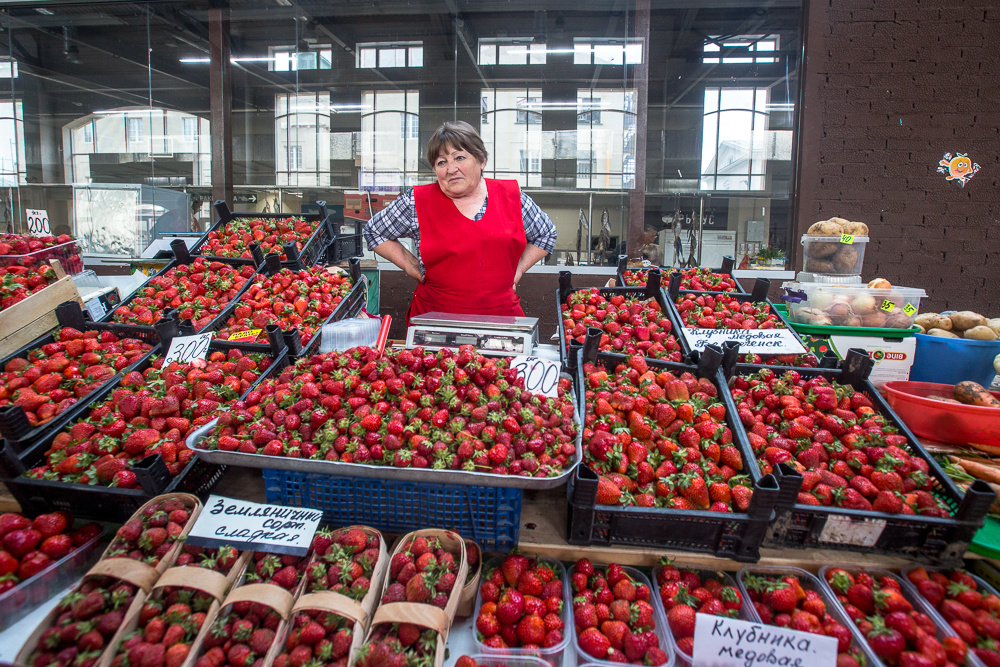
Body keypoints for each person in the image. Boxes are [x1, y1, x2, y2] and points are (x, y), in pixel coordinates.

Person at [364, 121, 556, 325]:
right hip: (434, 322)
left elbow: (546, 235)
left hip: (501, 322)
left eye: (460, 157)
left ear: (481, 160)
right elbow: (374, 232)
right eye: (441, 162)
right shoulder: (416, 202)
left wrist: (517, 272)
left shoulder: (512, 197)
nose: (451, 169)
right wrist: (413, 266)